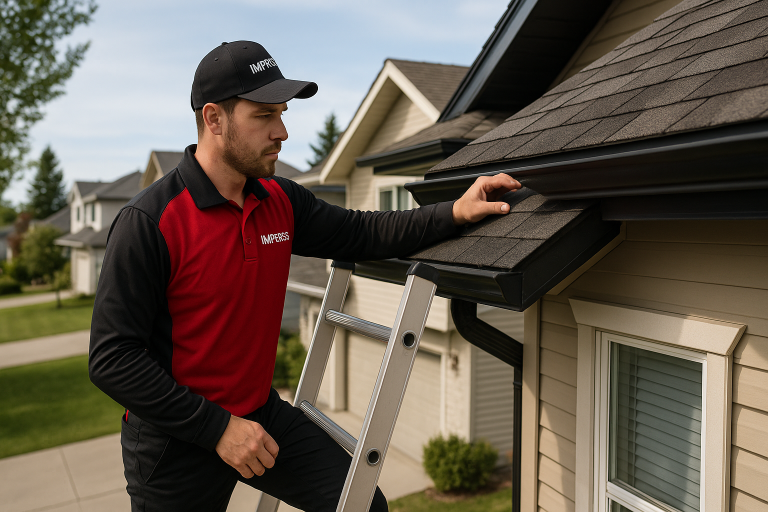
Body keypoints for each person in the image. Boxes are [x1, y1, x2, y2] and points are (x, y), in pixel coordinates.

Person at [89, 40, 521, 512]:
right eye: (264, 116)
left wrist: (455, 212)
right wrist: (216, 429)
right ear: (214, 119)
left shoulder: (280, 201)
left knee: (361, 505)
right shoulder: (150, 221)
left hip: (258, 413)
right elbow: (112, 357)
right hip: (175, 441)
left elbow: (363, 232)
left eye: (283, 113)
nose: (283, 131)